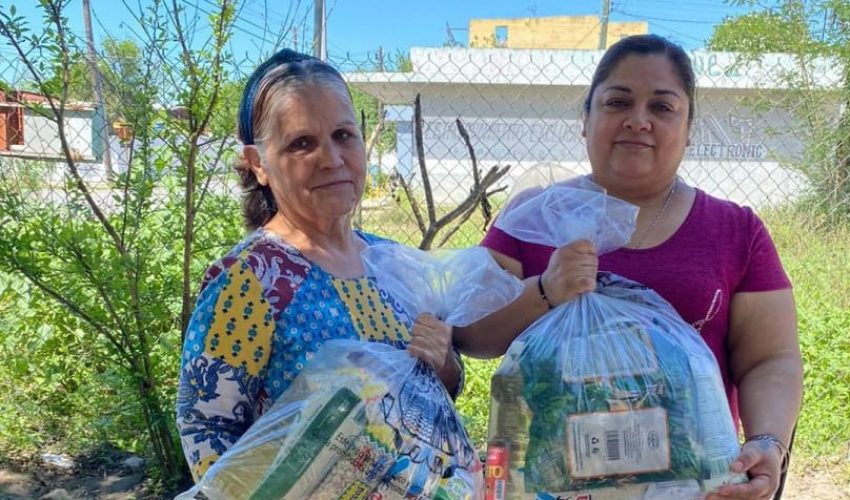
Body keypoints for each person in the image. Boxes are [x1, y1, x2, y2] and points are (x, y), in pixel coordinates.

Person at [454, 34, 802, 500]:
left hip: (692, 486)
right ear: (586, 119)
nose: (638, 120)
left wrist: (768, 441)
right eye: (618, 102)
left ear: (688, 129)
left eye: (662, 107)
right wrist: (546, 291)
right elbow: (470, 332)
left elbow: (770, 357)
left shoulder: (735, 229)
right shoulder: (534, 216)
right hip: (552, 487)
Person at [176, 49, 462, 482]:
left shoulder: (392, 262)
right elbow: (206, 431)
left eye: (343, 135)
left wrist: (444, 364)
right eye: (301, 143)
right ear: (258, 164)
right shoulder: (249, 280)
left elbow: (439, 394)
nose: (331, 159)